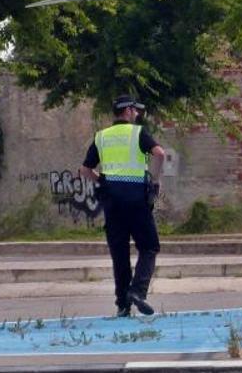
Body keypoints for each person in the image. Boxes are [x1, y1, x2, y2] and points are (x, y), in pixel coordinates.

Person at [79, 95, 165, 318]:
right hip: (136, 199)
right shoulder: (138, 133)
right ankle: (137, 291)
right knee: (149, 246)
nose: (137, 114)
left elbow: (85, 170)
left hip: (112, 202)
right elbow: (159, 154)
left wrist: (104, 181)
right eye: (135, 110)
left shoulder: (101, 137)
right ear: (128, 111)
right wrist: (154, 182)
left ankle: (122, 305)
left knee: (120, 253)